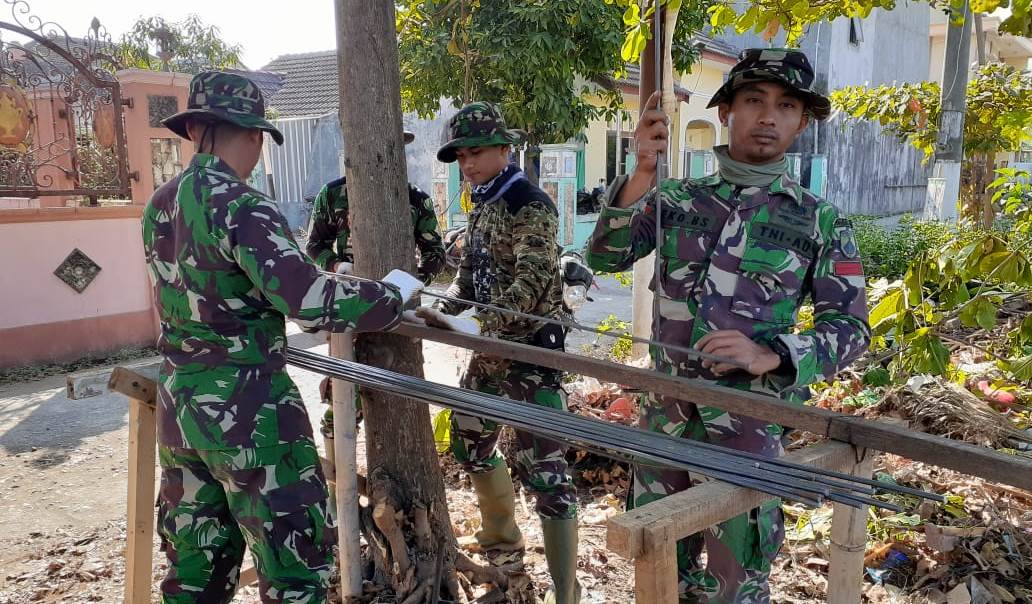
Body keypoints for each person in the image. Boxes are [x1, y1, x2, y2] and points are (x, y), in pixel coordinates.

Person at [585, 48, 871, 602]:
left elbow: (850, 328)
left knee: (733, 588)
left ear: (801, 123)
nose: (768, 117)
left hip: (747, 433)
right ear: (726, 112)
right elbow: (605, 256)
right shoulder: (675, 199)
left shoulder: (819, 221)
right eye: (754, 101)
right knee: (658, 577)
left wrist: (776, 354)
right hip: (664, 426)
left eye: (786, 106)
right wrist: (641, 171)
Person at [142, 71, 423, 603]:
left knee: (195, 575)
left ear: (194, 129)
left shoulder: (159, 204)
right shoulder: (243, 205)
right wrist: (391, 297)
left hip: (180, 406)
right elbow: (306, 298)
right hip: (250, 411)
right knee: (296, 573)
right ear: (253, 134)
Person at [416, 101, 581, 603]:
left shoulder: (529, 202)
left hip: (533, 356)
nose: (467, 164)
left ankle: (566, 589)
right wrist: (442, 310)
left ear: (505, 149)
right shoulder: (482, 202)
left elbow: (532, 283)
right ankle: (503, 546)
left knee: (547, 473)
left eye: (477, 152)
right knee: (470, 442)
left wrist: (474, 324)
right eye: (461, 156)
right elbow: (468, 276)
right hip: (489, 351)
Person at [305, 131, 445, 448]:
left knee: (400, 392)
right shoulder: (334, 194)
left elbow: (436, 253)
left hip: (399, 310)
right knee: (342, 399)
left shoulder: (414, 199)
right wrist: (338, 267)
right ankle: (338, 475)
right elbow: (314, 245)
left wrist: (414, 283)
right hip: (348, 307)